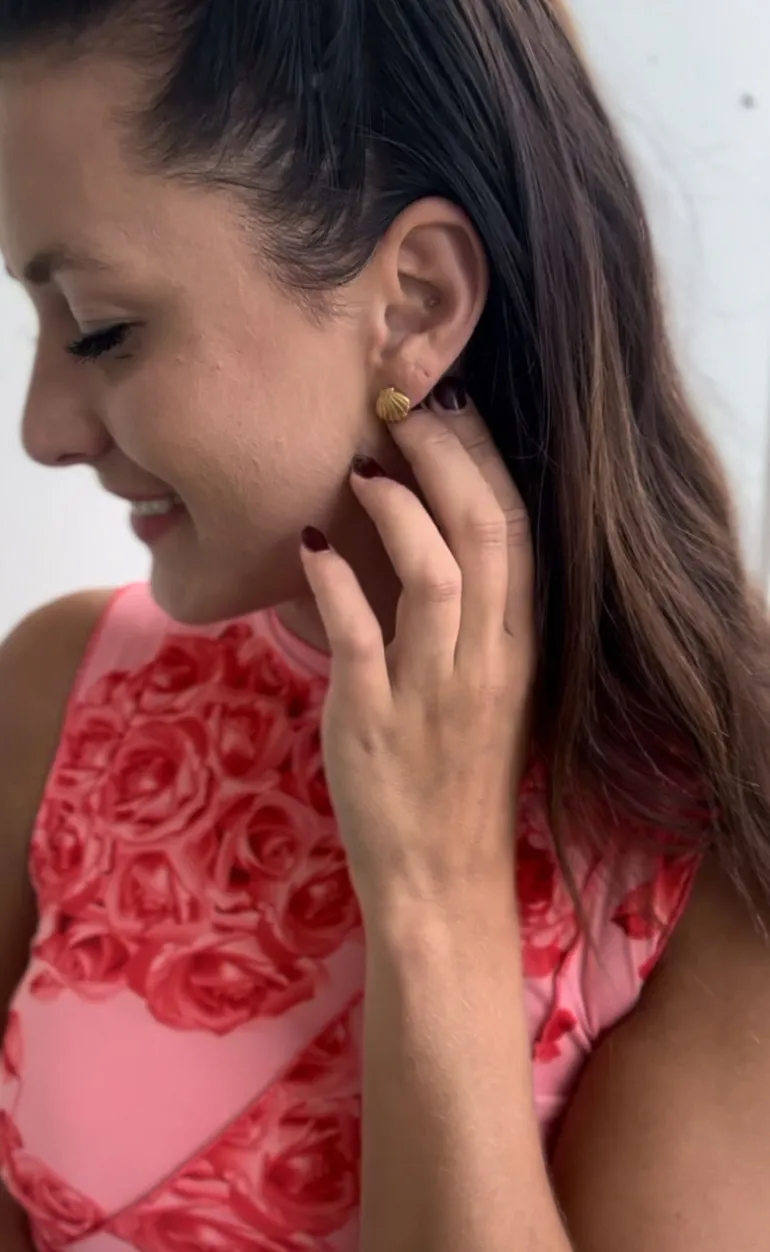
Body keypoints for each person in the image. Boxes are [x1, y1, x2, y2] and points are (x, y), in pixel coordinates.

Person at [0, 1, 769, 1249]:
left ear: (413, 302)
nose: (44, 429)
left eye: (101, 329)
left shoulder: (714, 839)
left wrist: (435, 893)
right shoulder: (59, 694)